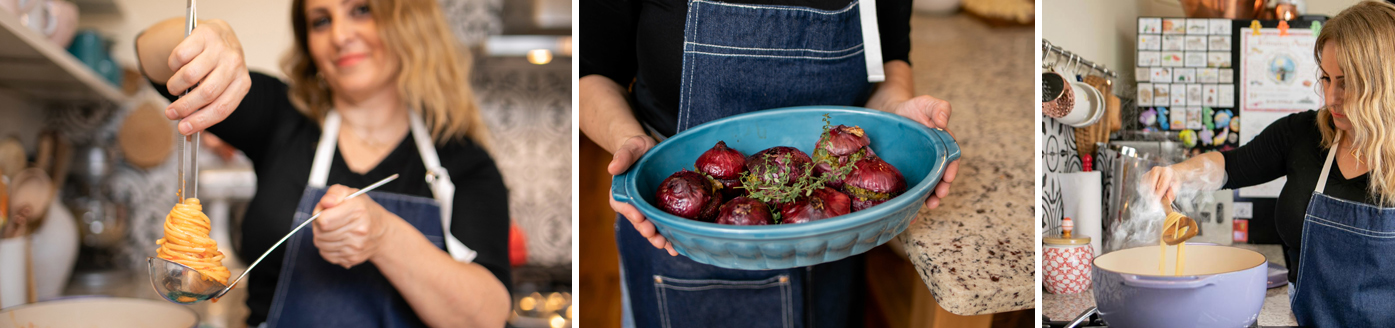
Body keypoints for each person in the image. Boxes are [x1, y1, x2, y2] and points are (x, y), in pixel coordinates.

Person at [580, 0, 961, 326]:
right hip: (685, 243)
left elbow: (887, 63)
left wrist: (896, 114)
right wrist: (628, 142)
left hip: (838, 236)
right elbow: (589, 74)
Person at [135, 0, 512, 326]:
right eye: (321, 20)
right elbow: (152, 58)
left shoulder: (463, 161)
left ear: (408, 21)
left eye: (361, 10)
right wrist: (206, 36)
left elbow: (487, 316)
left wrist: (385, 236)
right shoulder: (282, 118)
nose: (340, 35)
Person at [1143, 2, 1395, 327]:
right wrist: (1178, 174)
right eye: (1327, 78)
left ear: (1390, 82)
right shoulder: (1302, 135)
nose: (1331, 97)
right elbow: (1230, 165)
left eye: (1346, 81)